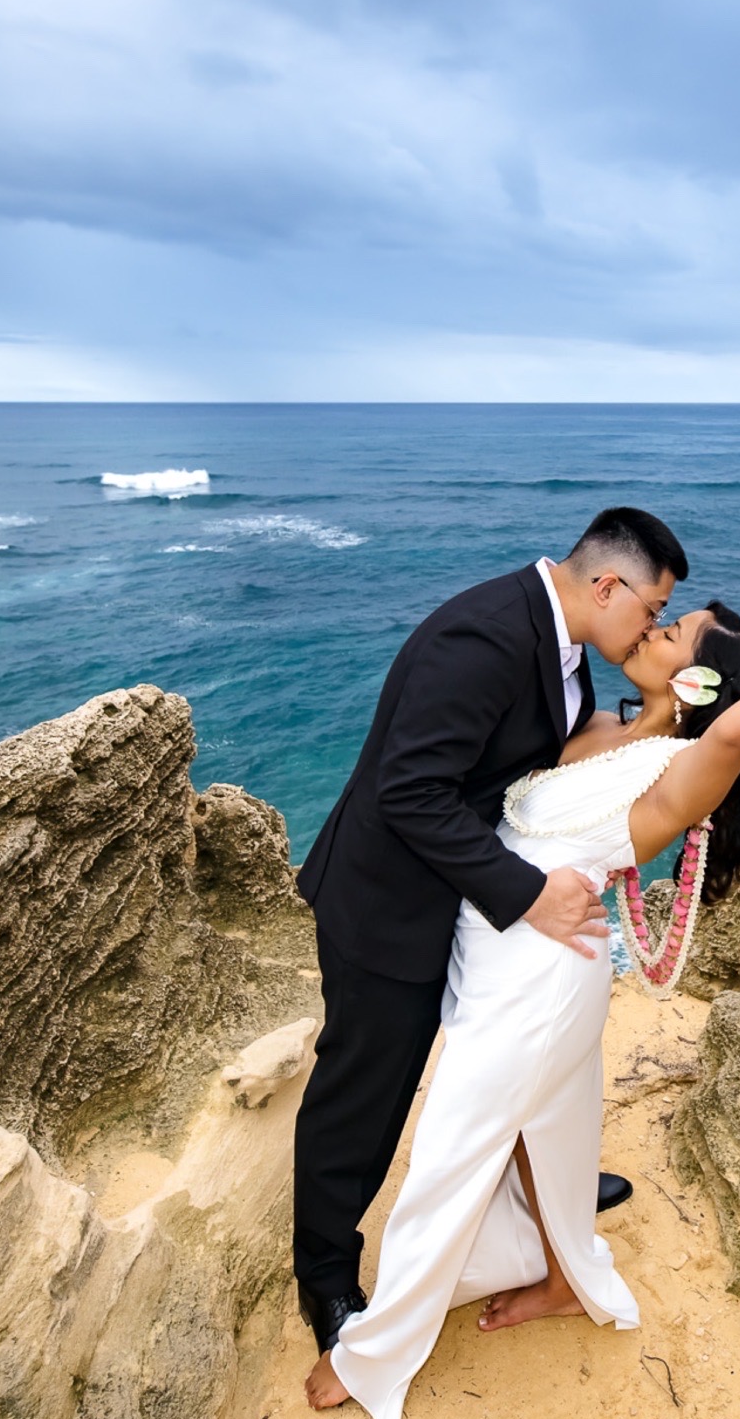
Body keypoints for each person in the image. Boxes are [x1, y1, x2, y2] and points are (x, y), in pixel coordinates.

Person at [306, 579, 740, 1419]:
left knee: (449, 1150)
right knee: (544, 1137)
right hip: (499, 956)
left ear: (700, 683)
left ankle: (372, 1354)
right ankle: (562, 1278)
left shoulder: (684, 770)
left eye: (677, 632)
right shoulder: (603, 727)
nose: (656, 627)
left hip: (539, 983)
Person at [291, 508, 691, 1358]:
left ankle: (549, 1193)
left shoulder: (563, 642)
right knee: (363, 1101)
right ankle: (325, 1280)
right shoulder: (485, 637)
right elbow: (410, 792)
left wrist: (657, 713)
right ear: (606, 585)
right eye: (652, 610)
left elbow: (540, 759)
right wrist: (526, 893)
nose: (652, 627)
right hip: (386, 905)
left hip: (453, 898)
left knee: (517, 1064)